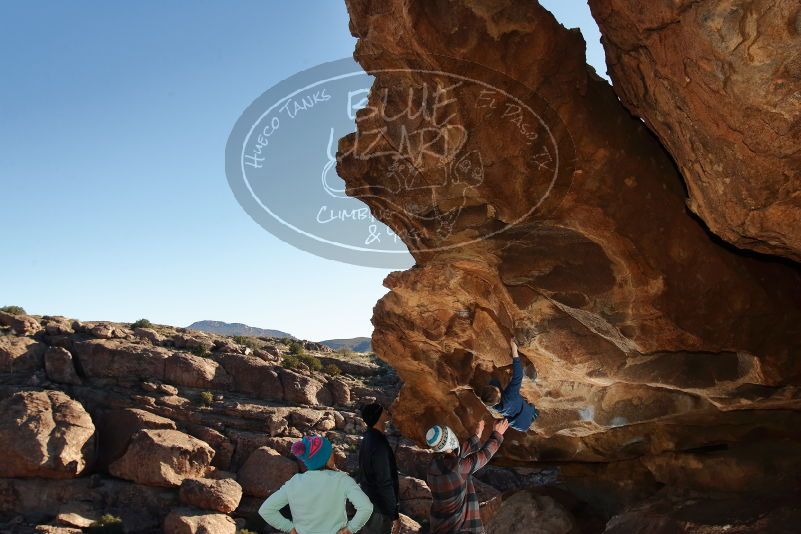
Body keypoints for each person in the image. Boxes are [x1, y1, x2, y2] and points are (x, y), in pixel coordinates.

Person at [258, 434, 373, 534]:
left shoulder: (295, 482)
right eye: (330, 452)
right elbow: (366, 507)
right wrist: (350, 529)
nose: (333, 454)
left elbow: (266, 510)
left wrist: (290, 528)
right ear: (325, 458)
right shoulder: (341, 480)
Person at [425, 418, 509, 533]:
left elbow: (455, 455)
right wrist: (497, 434)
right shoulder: (457, 468)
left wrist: (476, 437)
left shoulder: (433, 467)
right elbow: (484, 455)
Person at [478, 338, 539, 431]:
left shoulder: (494, 405)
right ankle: (533, 414)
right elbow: (518, 375)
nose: (496, 388)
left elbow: (494, 389)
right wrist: (514, 349)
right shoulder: (511, 395)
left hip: (519, 424)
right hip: (525, 413)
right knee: (534, 411)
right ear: (499, 397)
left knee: (494, 381)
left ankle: (531, 416)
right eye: (497, 390)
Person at [358, 403, 401, 534]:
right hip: (379, 510)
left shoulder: (367, 438)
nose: (386, 409)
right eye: (382, 409)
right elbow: (384, 482)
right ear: (378, 416)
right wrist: (394, 515)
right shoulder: (379, 443)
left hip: (369, 503)